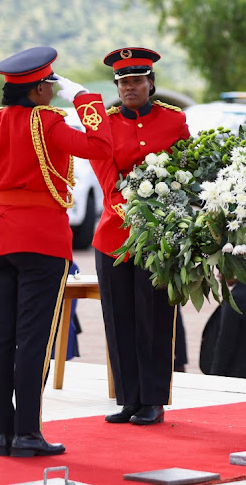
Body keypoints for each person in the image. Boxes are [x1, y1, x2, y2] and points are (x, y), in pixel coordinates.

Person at [0, 46, 113, 456]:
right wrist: (84, 98)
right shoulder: (48, 124)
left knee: (1, 337)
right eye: (50, 85)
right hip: (38, 239)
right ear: (36, 91)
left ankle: (3, 432)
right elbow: (101, 146)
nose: (53, 92)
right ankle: (28, 433)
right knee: (33, 339)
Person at [91, 47, 190, 426]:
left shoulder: (174, 121)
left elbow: (186, 171)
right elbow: (107, 181)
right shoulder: (105, 123)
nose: (129, 88)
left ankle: (153, 399)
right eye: (123, 82)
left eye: (136, 81)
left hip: (159, 237)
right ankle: (128, 398)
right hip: (114, 235)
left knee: (154, 318)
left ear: (151, 83)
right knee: (119, 318)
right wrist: (135, 214)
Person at [200, 276, 246, 379]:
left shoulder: (235, 298)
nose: (218, 275)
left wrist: (215, 375)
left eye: (222, 270)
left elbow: (225, 340)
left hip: (236, 374)